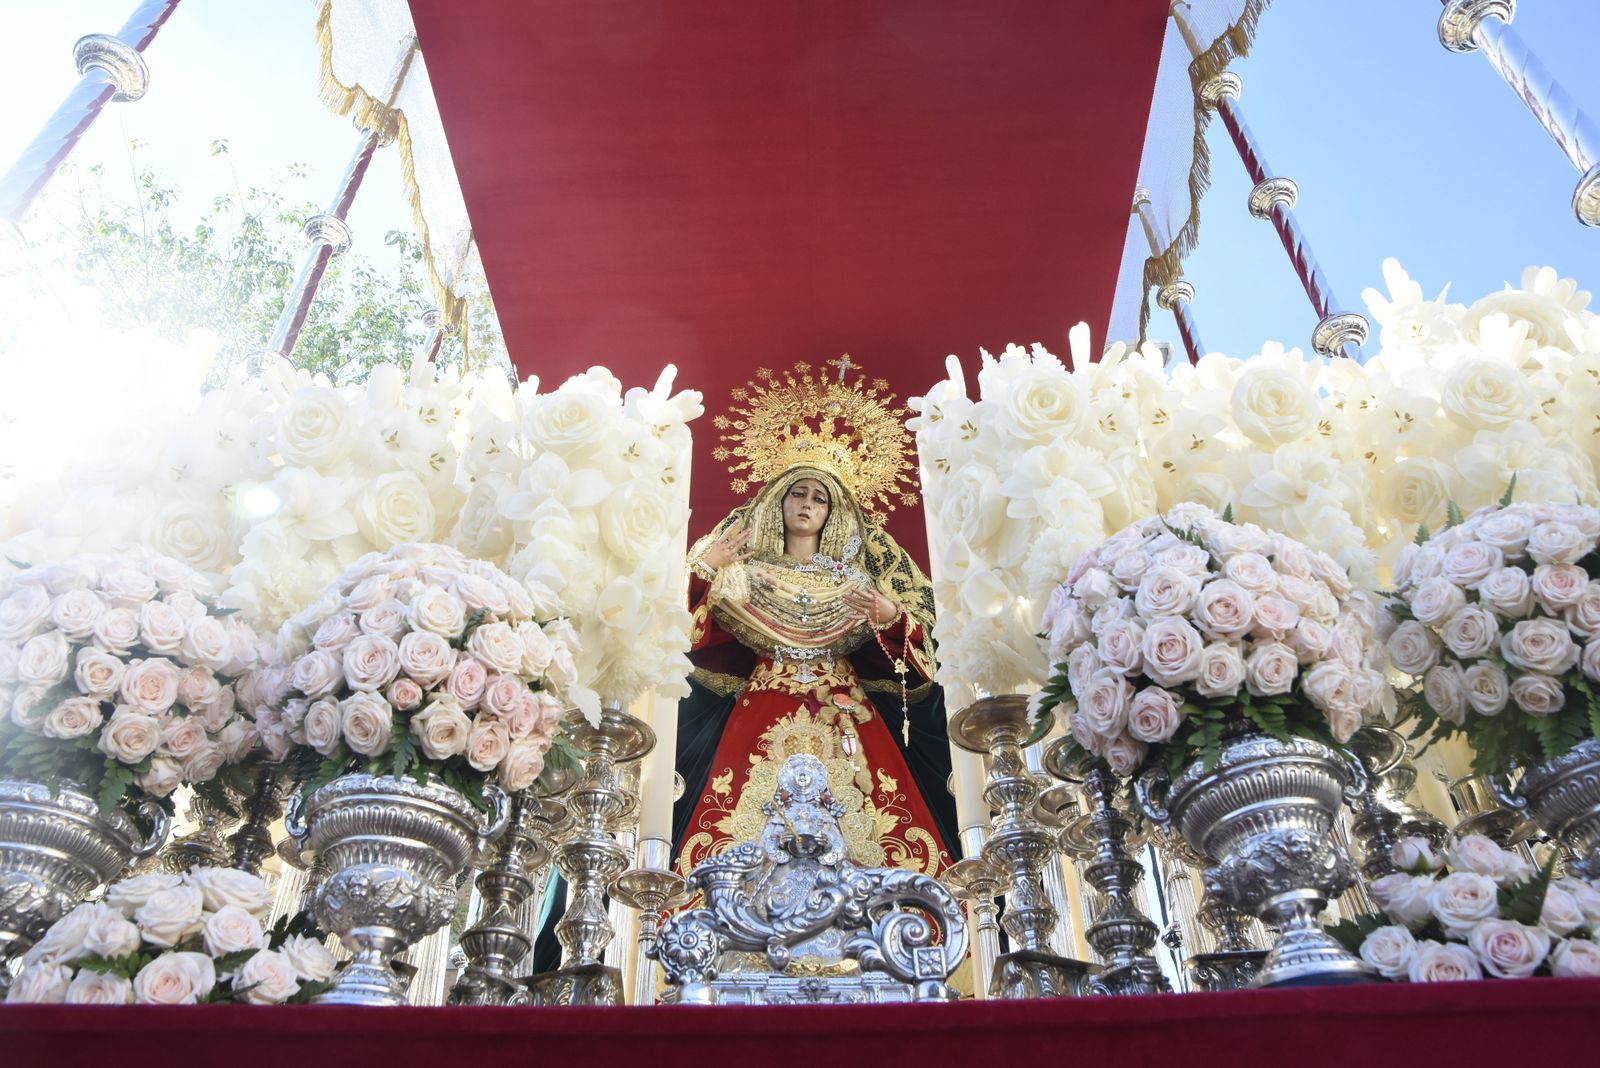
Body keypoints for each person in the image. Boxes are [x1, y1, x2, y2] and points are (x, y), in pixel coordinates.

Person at [672, 458, 952, 877]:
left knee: (872, 831)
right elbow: (684, 629)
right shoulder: (746, 577)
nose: (807, 505)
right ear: (778, 502)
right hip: (765, 702)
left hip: (845, 712)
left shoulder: (854, 585)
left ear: (831, 513)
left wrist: (891, 615)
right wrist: (709, 566)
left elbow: (915, 650)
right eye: (798, 494)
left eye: (819, 499)